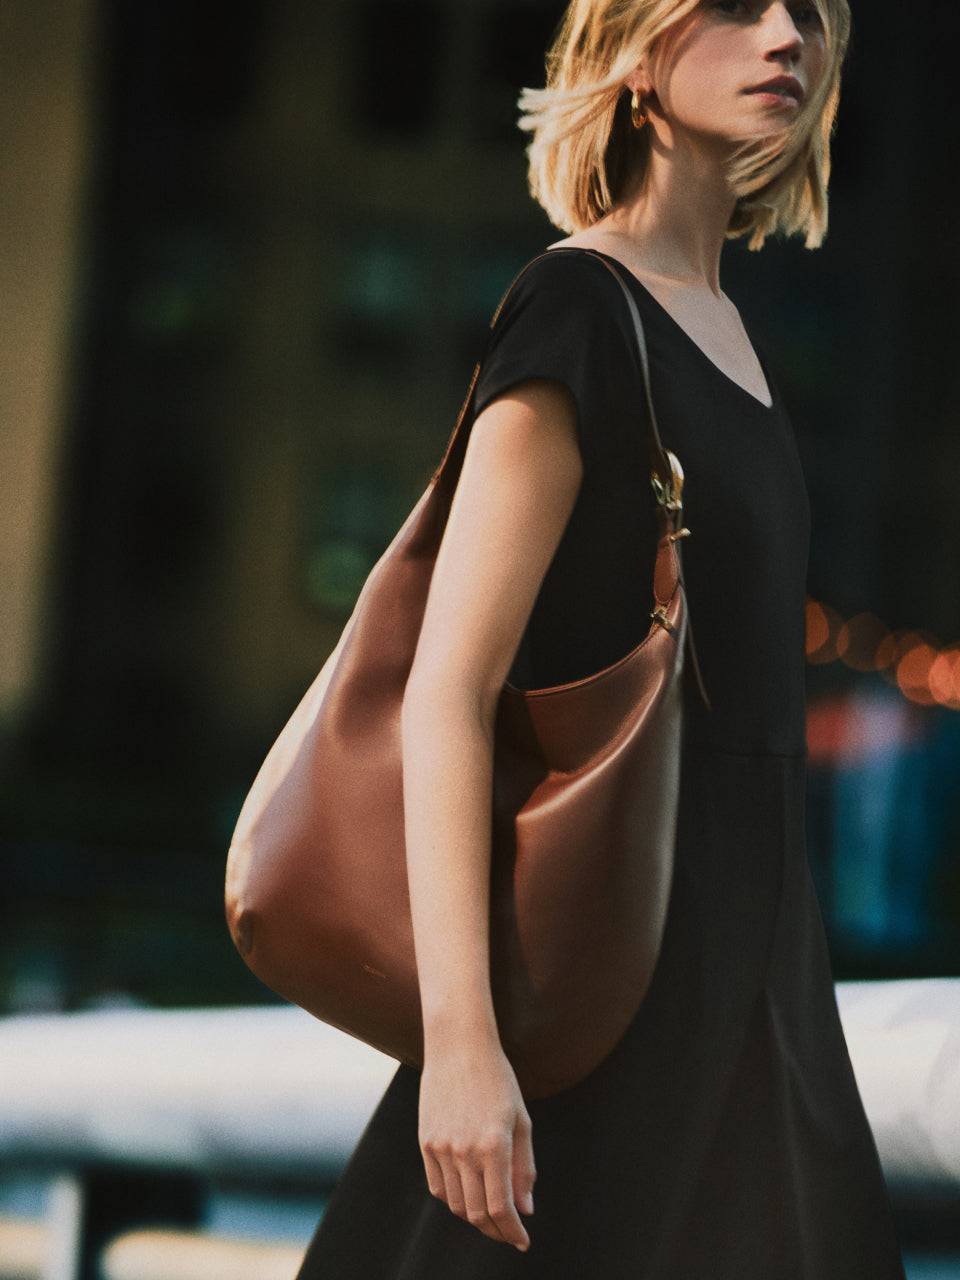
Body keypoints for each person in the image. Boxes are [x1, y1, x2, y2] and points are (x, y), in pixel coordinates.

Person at [296, 0, 908, 1275]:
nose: (788, 35)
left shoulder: (735, 333)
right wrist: (462, 1045)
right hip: (597, 988)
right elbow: (449, 690)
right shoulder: (577, 307)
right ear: (635, 48)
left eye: (808, 12)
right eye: (740, 7)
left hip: (760, 981)